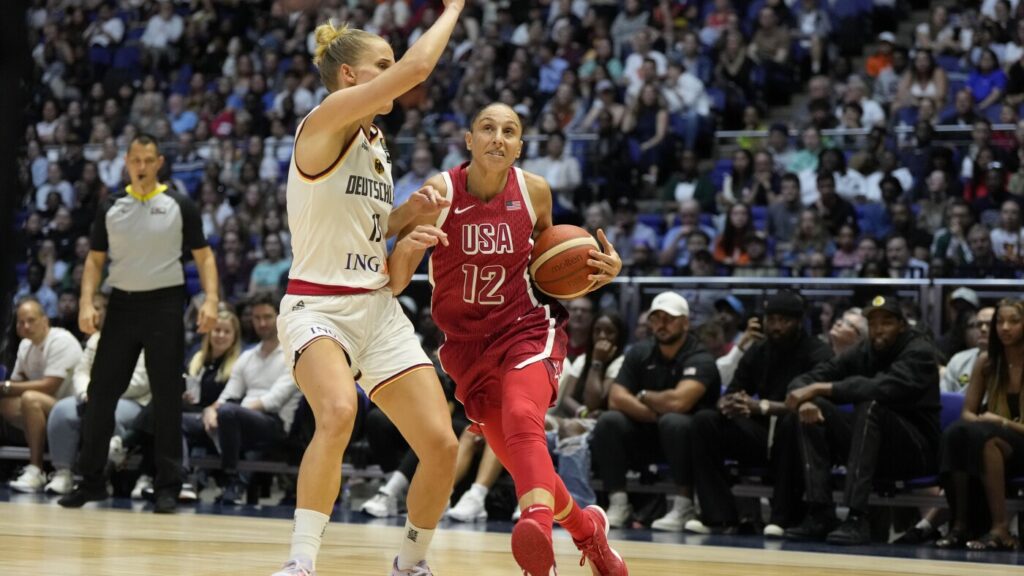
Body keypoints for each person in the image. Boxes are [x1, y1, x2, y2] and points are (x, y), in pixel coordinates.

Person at [387, 102, 628, 576]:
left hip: (526, 327)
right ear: (469, 141)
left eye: (510, 131)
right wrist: (408, 230)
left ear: (519, 146)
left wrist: (599, 272)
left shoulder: (534, 190)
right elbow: (391, 260)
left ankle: (536, 531)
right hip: (465, 348)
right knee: (524, 460)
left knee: (523, 418)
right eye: (488, 128)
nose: (499, 137)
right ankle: (588, 534)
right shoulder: (440, 192)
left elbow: (555, 261)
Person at [270, 6, 466, 575]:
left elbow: (374, 239)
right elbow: (419, 68)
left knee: (442, 445)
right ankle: (301, 563)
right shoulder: (327, 120)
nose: (393, 72)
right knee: (336, 411)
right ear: (351, 77)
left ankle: (411, 563)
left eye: (392, 62)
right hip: (318, 306)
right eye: (382, 64)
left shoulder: (376, 143)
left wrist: (412, 215)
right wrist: (452, 8)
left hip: (377, 308)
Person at [58, 133, 219, 514]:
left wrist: (211, 300)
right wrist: (86, 301)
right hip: (121, 306)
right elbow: (95, 260)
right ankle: (91, 481)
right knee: (99, 395)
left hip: (165, 304)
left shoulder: (179, 204)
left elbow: (205, 257)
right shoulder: (111, 206)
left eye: (148, 159)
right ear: (127, 163)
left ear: (159, 161)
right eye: (136, 160)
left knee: (166, 398)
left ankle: (167, 485)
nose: (142, 166)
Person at [784, 295, 940, 545]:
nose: (878, 329)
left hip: (915, 452)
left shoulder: (919, 351)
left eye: (886, 322)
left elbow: (883, 388)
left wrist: (821, 388)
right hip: (870, 448)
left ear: (902, 325)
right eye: (873, 323)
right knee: (813, 410)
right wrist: (808, 400)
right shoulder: (866, 347)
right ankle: (819, 511)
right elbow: (807, 379)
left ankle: (857, 517)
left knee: (871, 406)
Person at [687, 291, 833, 537]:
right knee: (705, 421)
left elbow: (815, 400)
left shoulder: (817, 351)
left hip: (796, 438)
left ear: (798, 322)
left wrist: (761, 406)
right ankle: (718, 516)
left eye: (784, 321)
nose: (776, 327)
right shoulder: (759, 350)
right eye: (771, 320)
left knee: (791, 421)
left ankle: (782, 518)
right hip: (759, 435)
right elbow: (735, 388)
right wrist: (729, 402)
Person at [590, 291, 720, 533]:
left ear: (685, 322)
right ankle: (618, 503)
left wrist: (642, 395)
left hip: (689, 443)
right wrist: (654, 413)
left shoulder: (700, 356)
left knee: (674, 421)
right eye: (656, 318)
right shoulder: (640, 352)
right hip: (646, 432)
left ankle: (684, 504)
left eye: (669, 318)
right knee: (609, 420)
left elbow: (680, 402)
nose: (661, 324)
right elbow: (616, 398)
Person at [937, 299, 1024, 551]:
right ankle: (960, 525)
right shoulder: (986, 362)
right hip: (996, 441)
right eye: (1000, 321)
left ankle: (1000, 528)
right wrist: (983, 424)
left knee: (988, 440)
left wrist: (999, 421)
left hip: (1015, 440)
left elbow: (994, 424)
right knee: (956, 433)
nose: (1005, 327)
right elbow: (968, 413)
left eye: (1014, 321)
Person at [45, 293, 150, 496]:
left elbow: (140, 381)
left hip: (132, 401)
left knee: (109, 412)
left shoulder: (144, 340)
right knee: (62, 410)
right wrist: (86, 391)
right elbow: (81, 372)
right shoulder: (97, 338)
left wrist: (103, 393)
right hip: (93, 396)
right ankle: (63, 473)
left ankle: (104, 477)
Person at [202, 293, 301, 504]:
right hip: (241, 419)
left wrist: (228, 409)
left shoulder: (294, 354)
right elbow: (229, 394)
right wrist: (211, 410)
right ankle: (178, 480)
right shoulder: (247, 356)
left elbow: (273, 401)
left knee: (228, 413)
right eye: (257, 318)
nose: (262, 323)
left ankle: (231, 479)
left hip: (276, 424)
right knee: (183, 421)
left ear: (280, 317)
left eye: (267, 317)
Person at [2, 298, 83, 493]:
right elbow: (16, 384)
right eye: (21, 322)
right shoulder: (25, 346)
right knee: (5, 404)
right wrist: (8, 388)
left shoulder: (61, 340)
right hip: (46, 406)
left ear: (45, 320)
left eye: (31, 320)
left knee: (30, 398)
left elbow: (49, 386)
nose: (26, 326)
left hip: (72, 408)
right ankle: (37, 437)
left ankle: (36, 469)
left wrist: (5, 386)